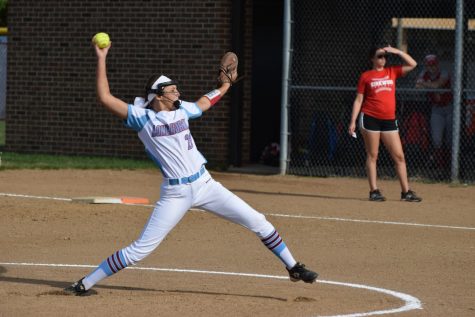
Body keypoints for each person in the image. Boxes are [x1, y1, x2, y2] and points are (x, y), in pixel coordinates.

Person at [64, 41, 318, 295]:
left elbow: (205, 102)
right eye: (173, 90)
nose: (178, 92)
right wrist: (101, 57)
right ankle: (85, 283)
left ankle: (293, 266)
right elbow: (105, 97)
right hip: (176, 193)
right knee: (141, 249)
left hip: (206, 185)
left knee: (258, 221)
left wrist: (226, 85)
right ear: (159, 95)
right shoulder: (143, 118)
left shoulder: (183, 109)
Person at [348, 45, 422, 202]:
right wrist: (353, 121)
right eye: (379, 56)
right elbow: (359, 99)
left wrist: (398, 52)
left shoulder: (392, 72)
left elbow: (413, 64)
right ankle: (374, 190)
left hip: (389, 120)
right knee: (373, 155)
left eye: (384, 56)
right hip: (370, 117)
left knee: (399, 156)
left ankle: (406, 192)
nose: (383, 59)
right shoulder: (366, 76)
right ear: (372, 59)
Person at [415, 54, 453, 173]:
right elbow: (417, 86)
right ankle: (441, 168)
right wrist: (429, 85)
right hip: (436, 109)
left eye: (434, 64)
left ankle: (451, 168)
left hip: (450, 108)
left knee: (450, 140)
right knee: (437, 140)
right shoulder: (423, 74)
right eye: (429, 65)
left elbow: (438, 84)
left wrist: (426, 84)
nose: (432, 67)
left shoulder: (444, 72)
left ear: (438, 64)